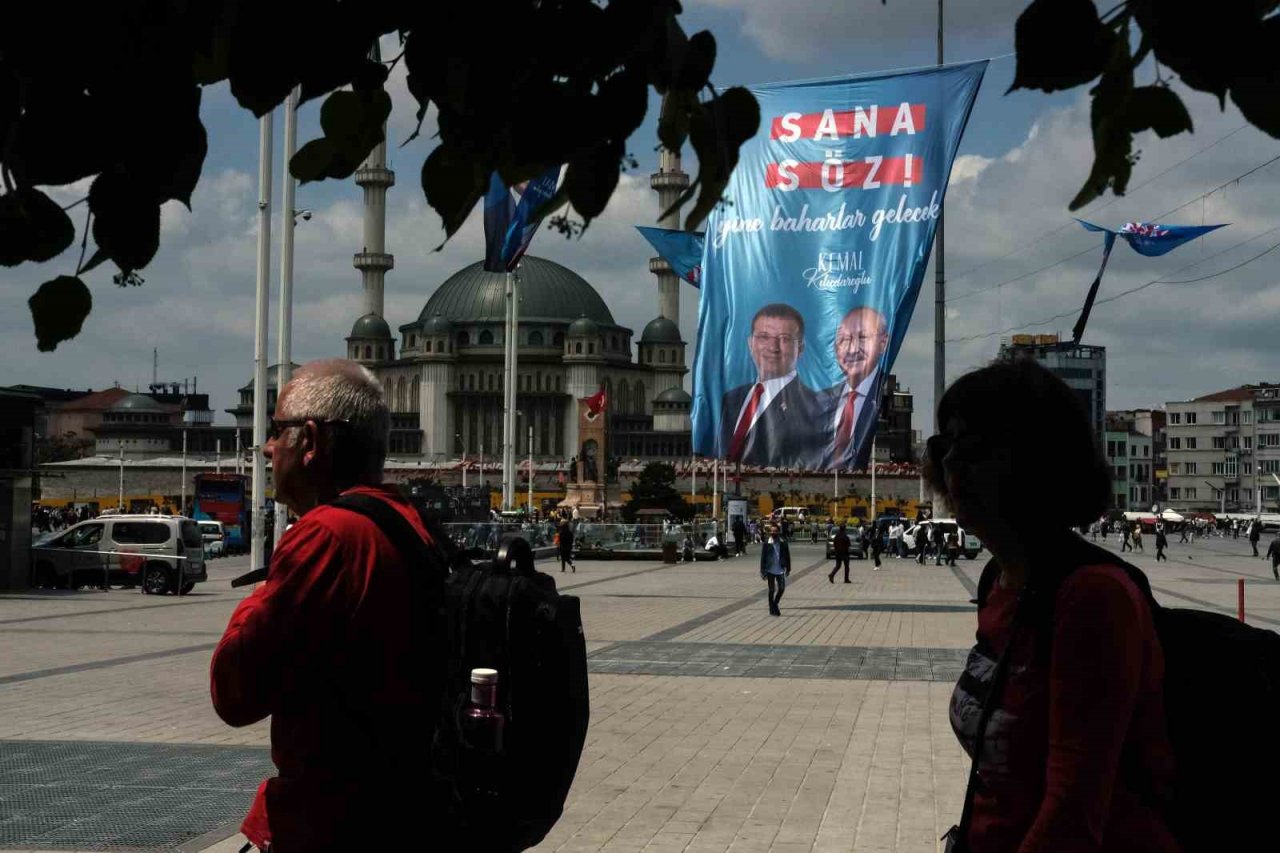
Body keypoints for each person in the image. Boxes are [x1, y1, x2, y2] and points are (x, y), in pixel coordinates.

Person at [926, 358, 1177, 853]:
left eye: (970, 445)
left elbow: (1072, 815)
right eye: (943, 445)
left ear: (1032, 462)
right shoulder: (1001, 579)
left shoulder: (1092, 598)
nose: (951, 462)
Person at [210, 359, 437, 849]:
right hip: (402, 811)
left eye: (277, 430)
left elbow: (235, 692)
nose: (267, 447)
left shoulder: (328, 536)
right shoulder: (408, 521)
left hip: (332, 824)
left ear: (310, 440)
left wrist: (259, 597)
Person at [719, 303, 825, 467]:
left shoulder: (814, 407)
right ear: (750, 343)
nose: (773, 347)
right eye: (763, 337)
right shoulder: (731, 399)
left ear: (800, 348)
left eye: (784, 339)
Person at [820, 306, 889, 470]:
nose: (853, 349)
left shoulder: (885, 395)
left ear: (883, 343)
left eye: (863, 337)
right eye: (844, 339)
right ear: (835, 348)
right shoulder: (818, 401)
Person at [759, 524, 791, 615]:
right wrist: (762, 571)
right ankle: (771, 608)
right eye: (772, 531)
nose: (773, 532)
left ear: (778, 532)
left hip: (780, 569)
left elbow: (787, 556)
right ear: (770, 532)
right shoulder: (767, 543)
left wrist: (788, 568)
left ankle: (775, 603)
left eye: (775, 531)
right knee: (772, 590)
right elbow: (763, 557)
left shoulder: (783, 542)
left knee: (781, 588)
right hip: (770, 569)